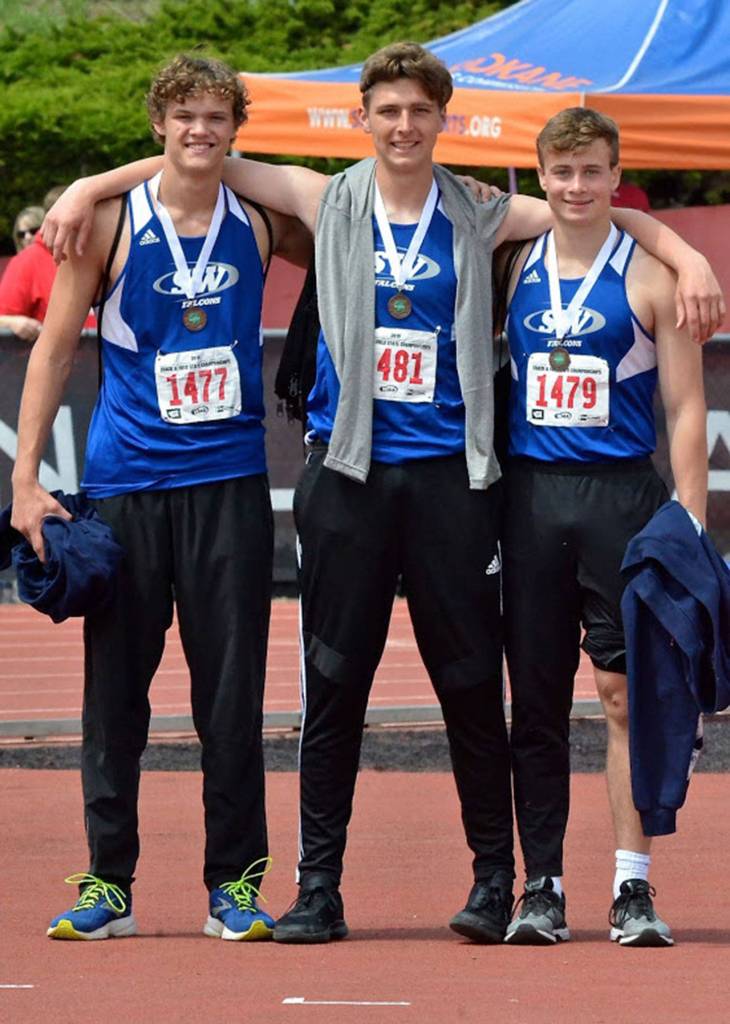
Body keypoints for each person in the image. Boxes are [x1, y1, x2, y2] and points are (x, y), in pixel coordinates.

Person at [43, 43, 723, 946]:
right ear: (363, 118)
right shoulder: (325, 199)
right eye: (388, 111)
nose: (404, 126)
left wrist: (683, 250)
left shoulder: (480, 211)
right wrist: (87, 187)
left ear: (443, 121)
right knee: (334, 688)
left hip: (451, 482)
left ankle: (494, 883)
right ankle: (318, 890)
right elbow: (200, 155)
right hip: (347, 478)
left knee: (471, 687)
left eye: (419, 112)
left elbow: (587, 202)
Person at [11, 53, 310, 942]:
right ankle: (109, 884)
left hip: (228, 487)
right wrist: (24, 480)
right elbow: (54, 349)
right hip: (127, 487)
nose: (199, 131)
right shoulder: (108, 222)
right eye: (184, 116)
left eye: (216, 117)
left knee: (231, 699)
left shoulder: (259, 220)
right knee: (115, 700)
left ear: (235, 130)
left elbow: (344, 216)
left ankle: (235, 889)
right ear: (158, 124)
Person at [497, 107, 707, 947]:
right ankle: (540, 886)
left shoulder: (652, 274)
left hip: (622, 500)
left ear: (617, 177)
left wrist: (690, 524)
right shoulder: (512, 258)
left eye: (592, 171)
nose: (577, 186)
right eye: (562, 171)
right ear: (541, 177)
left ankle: (632, 884)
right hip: (530, 499)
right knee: (537, 702)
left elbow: (685, 408)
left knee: (623, 696)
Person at [0, 191, 95, 343]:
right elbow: (3, 319)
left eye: (33, 230)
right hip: (53, 355)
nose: (28, 237)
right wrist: (12, 323)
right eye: (21, 234)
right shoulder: (26, 262)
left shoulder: (100, 251)